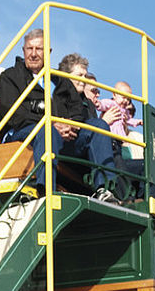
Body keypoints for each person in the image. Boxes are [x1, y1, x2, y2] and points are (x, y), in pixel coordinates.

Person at [46, 55, 120, 200]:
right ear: (66, 76)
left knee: (140, 164)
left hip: (82, 147)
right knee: (99, 126)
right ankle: (105, 188)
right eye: (79, 75)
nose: (84, 79)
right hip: (62, 143)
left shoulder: (87, 103)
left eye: (85, 75)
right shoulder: (56, 93)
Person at [0, 29, 48, 145]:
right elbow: (13, 114)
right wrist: (50, 120)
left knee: (94, 128)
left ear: (48, 51)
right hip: (20, 132)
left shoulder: (58, 79)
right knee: (47, 132)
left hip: (59, 133)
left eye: (39, 49)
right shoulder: (10, 77)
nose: (33, 54)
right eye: (29, 49)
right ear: (23, 51)